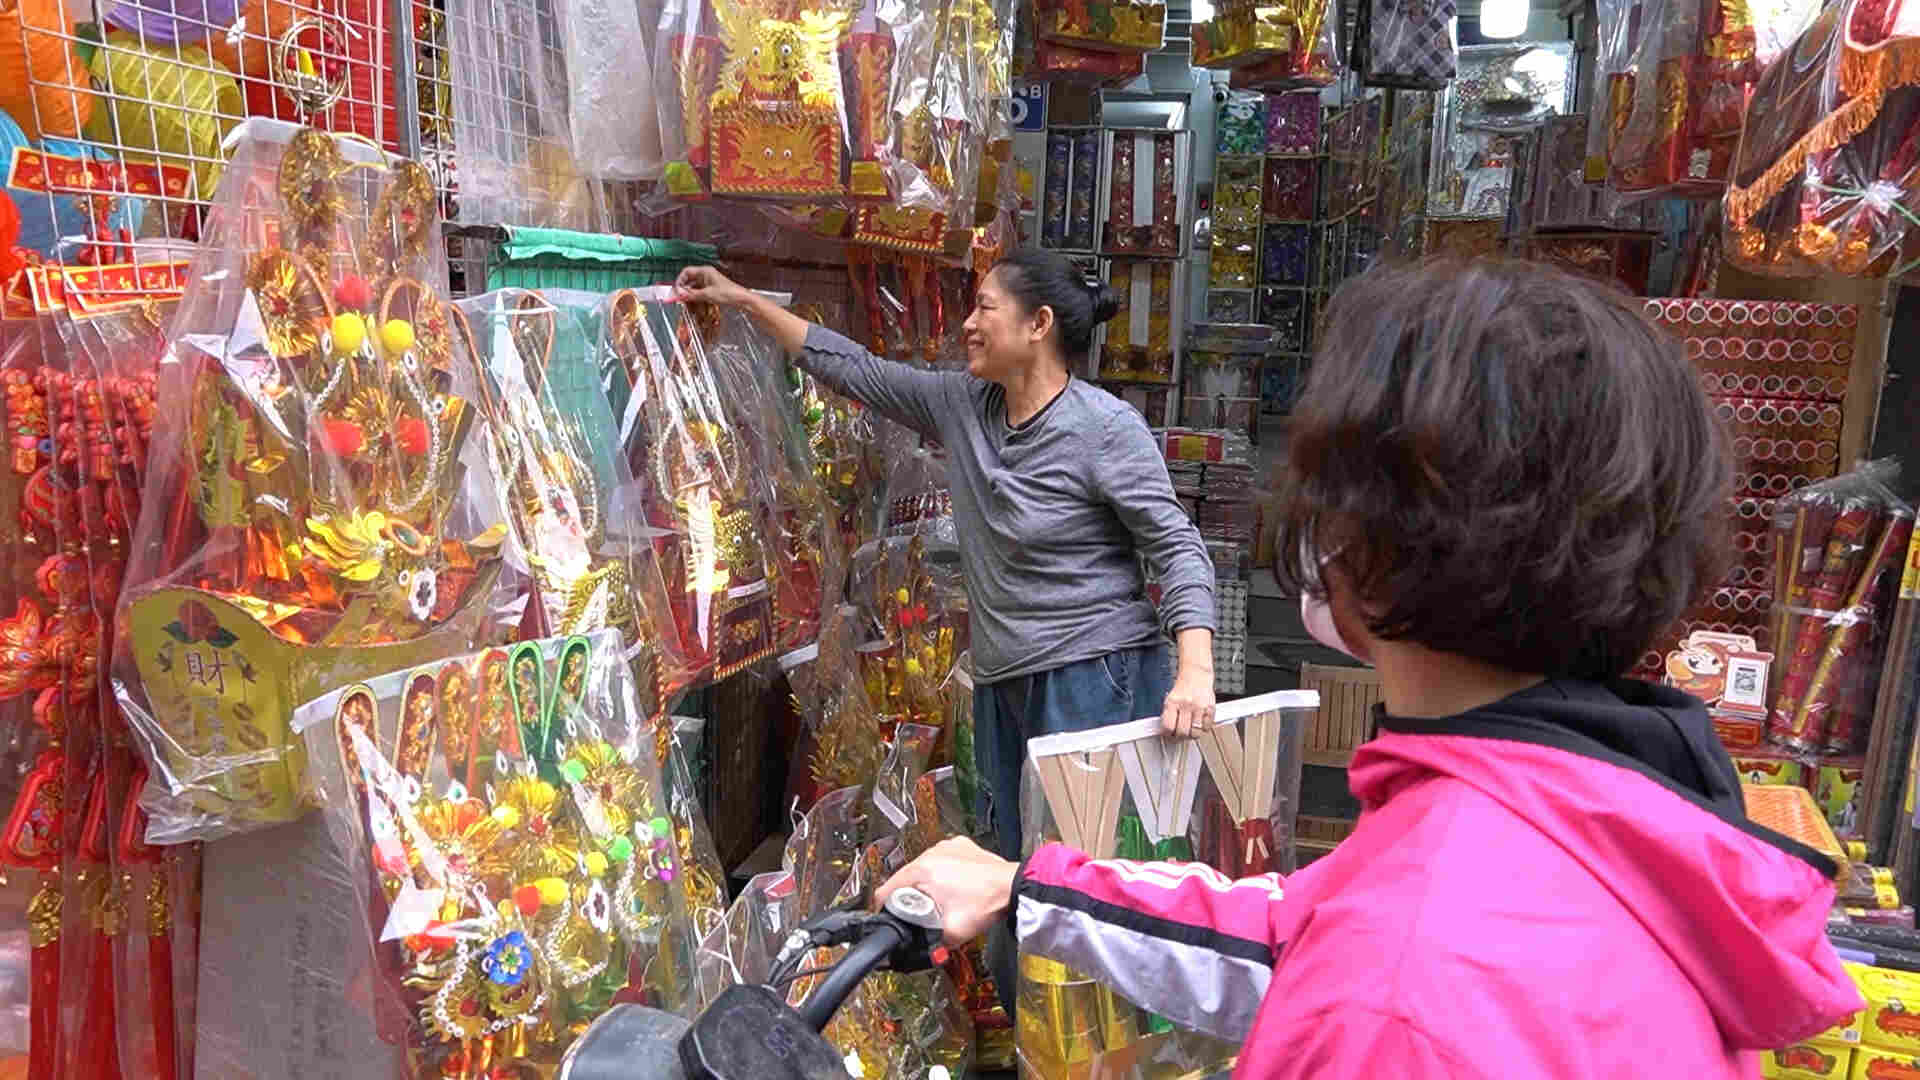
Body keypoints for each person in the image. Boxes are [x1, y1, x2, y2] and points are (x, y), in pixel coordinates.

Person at [872, 258, 1864, 1078]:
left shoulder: (1395, 999)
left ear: (1373, 535)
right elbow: (1297, 929)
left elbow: (1362, 962)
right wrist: (1030, 888)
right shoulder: (1610, 806)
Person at [675, 250, 1218, 864]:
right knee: (1013, 863)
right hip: (1003, 681)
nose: (967, 322)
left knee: (1084, 871)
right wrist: (742, 298)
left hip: (1094, 675)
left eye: (985, 307)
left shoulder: (1105, 428)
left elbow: (1175, 544)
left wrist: (1194, 669)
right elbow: (856, 369)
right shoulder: (963, 405)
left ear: (1038, 325)